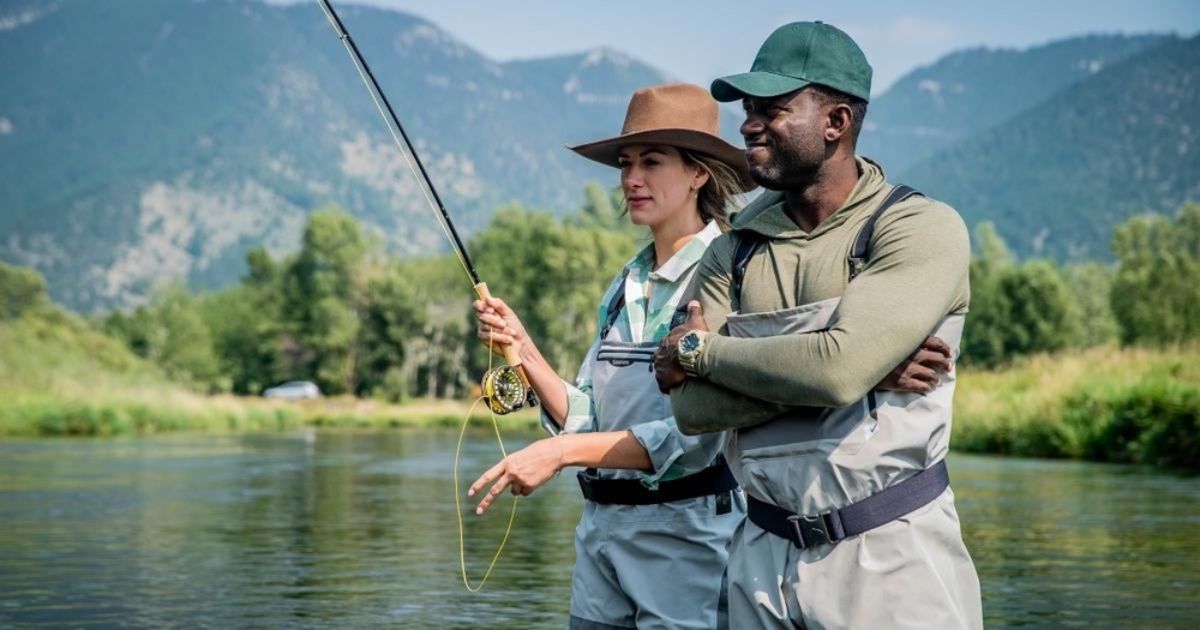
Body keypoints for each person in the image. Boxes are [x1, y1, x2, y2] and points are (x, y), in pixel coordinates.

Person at [470, 83, 952, 630]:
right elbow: (588, 415)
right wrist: (524, 350)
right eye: (625, 164)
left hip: (688, 541)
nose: (631, 179)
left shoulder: (724, 273)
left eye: (651, 162)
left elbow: (696, 434)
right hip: (601, 537)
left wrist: (560, 454)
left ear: (699, 173)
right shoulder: (624, 283)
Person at [653, 22, 983, 629]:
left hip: (891, 557)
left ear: (836, 121)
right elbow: (692, 412)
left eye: (772, 109)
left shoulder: (919, 228)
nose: (749, 124)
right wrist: (866, 375)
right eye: (748, 109)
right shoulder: (733, 251)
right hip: (759, 559)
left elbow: (833, 373)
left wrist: (699, 349)